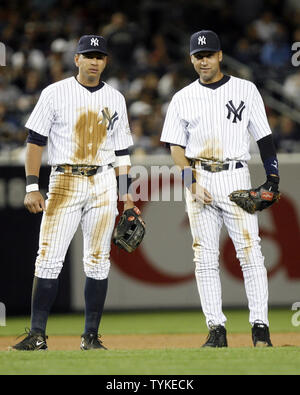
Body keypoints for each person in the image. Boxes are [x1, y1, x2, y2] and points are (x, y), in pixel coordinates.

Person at [11, 35, 141, 351]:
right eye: (88, 55)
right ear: (77, 59)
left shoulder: (116, 98)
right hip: (65, 180)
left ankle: (91, 337)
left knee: (98, 260)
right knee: (48, 259)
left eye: (99, 56)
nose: (94, 60)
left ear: (106, 61)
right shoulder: (55, 93)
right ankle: (37, 334)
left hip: (103, 182)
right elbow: (35, 141)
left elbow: (122, 153)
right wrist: (31, 186)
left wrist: (127, 197)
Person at [160, 30, 279, 347]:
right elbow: (175, 148)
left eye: (209, 55)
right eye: (198, 56)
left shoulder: (245, 89)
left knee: (251, 253)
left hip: (235, 175)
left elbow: (264, 139)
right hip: (198, 175)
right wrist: (190, 182)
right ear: (191, 59)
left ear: (220, 55)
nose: (203, 61)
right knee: (204, 258)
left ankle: (260, 329)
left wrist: (273, 177)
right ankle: (216, 330)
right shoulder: (182, 97)